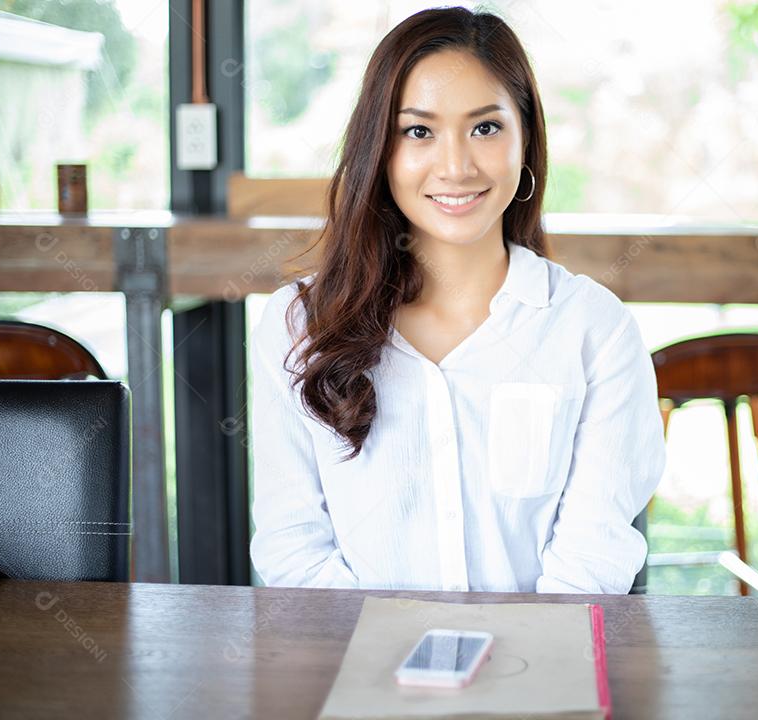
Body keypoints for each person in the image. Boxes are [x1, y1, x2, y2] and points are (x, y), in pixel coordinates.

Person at [249, 6, 666, 593]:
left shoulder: (594, 329)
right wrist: (387, 646)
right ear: (380, 150)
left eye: (485, 128)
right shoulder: (298, 325)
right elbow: (293, 547)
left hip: (542, 650)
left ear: (526, 141)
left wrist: (512, 651)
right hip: (353, 648)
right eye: (418, 131)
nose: (456, 166)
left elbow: (591, 561)